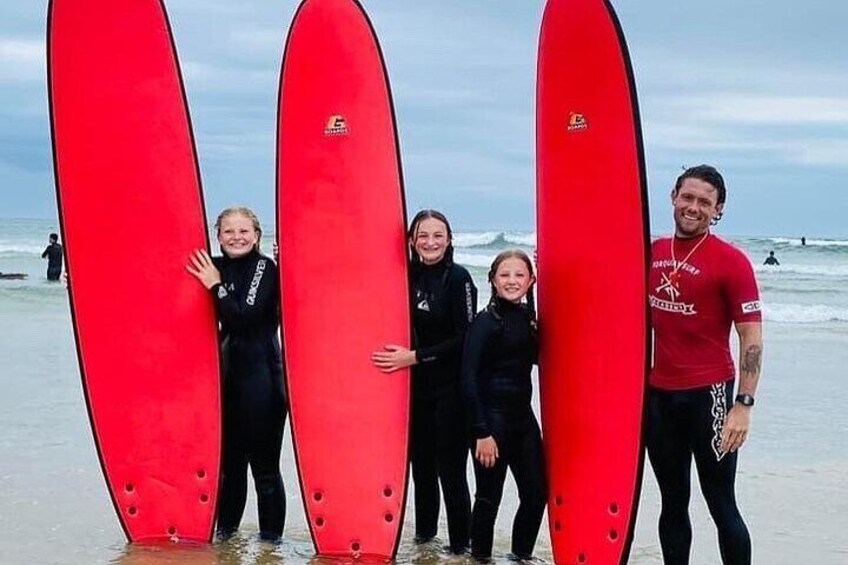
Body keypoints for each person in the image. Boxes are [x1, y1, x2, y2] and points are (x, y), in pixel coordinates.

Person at [647, 165, 763, 565]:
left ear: (718, 210)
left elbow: (751, 338)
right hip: (659, 396)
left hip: (710, 397)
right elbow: (600, 281)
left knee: (721, 505)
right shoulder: (651, 252)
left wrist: (742, 405)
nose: (693, 207)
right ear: (673, 197)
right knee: (672, 502)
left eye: (704, 202)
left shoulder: (732, 262)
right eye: (688, 197)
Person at [371, 210, 476, 554]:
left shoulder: (459, 279)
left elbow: (466, 339)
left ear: (449, 240)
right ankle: (425, 546)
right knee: (421, 472)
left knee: (452, 473)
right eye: (424, 236)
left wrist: (414, 357)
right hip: (413, 391)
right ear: (412, 241)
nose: (430, 243)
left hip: (450, 389)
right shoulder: (404, 276)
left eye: (438, 236)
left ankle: (461, 550)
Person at [186, 206, 287, 541]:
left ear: (257, 236)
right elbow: (155, 285)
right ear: (218, 236)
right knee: (229, 471)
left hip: (264, 384)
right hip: (226, 383)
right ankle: (226, 541)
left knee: (265, 472)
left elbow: (245, 313)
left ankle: (270, 546)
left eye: (244, 231)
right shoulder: (213, 266)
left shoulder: (265, 267)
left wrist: (216, 286)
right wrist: (78, 281)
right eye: (228, 231)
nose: (236, 237)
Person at [460, 250, 546, 562]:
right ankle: (480, 559)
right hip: (490, 424)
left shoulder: (529, 318)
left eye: (520, 275)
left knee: (536, 494)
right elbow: (467, 378)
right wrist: (481, 432)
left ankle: (519, 557)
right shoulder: (486, 323)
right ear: (493, 281)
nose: (512, 281)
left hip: (523, 421)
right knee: (488, 498)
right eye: (505, 275)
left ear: (531, 280)